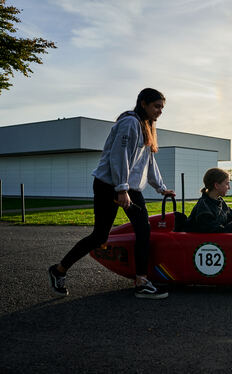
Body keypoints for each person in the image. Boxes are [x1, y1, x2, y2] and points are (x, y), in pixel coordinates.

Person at [48, 88, 175, 299]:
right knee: (100, 236)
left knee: (143, 230)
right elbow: (119, 156)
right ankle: (58, 270)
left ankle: (141, 281)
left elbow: (147, 161)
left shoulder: (147, 126)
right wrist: (121, 189)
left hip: (128, 188)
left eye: (162, 107)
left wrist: (160, 187)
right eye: (157, 106)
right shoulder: (130, 122)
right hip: (109, 185)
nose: (160, 111)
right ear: (143, 103)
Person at [186, 168, 232, 233]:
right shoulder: (204, 207)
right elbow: (214, 232)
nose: (229, 187)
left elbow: (231, 218)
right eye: (227, 184)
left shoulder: (220, 202)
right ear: (216, 185)